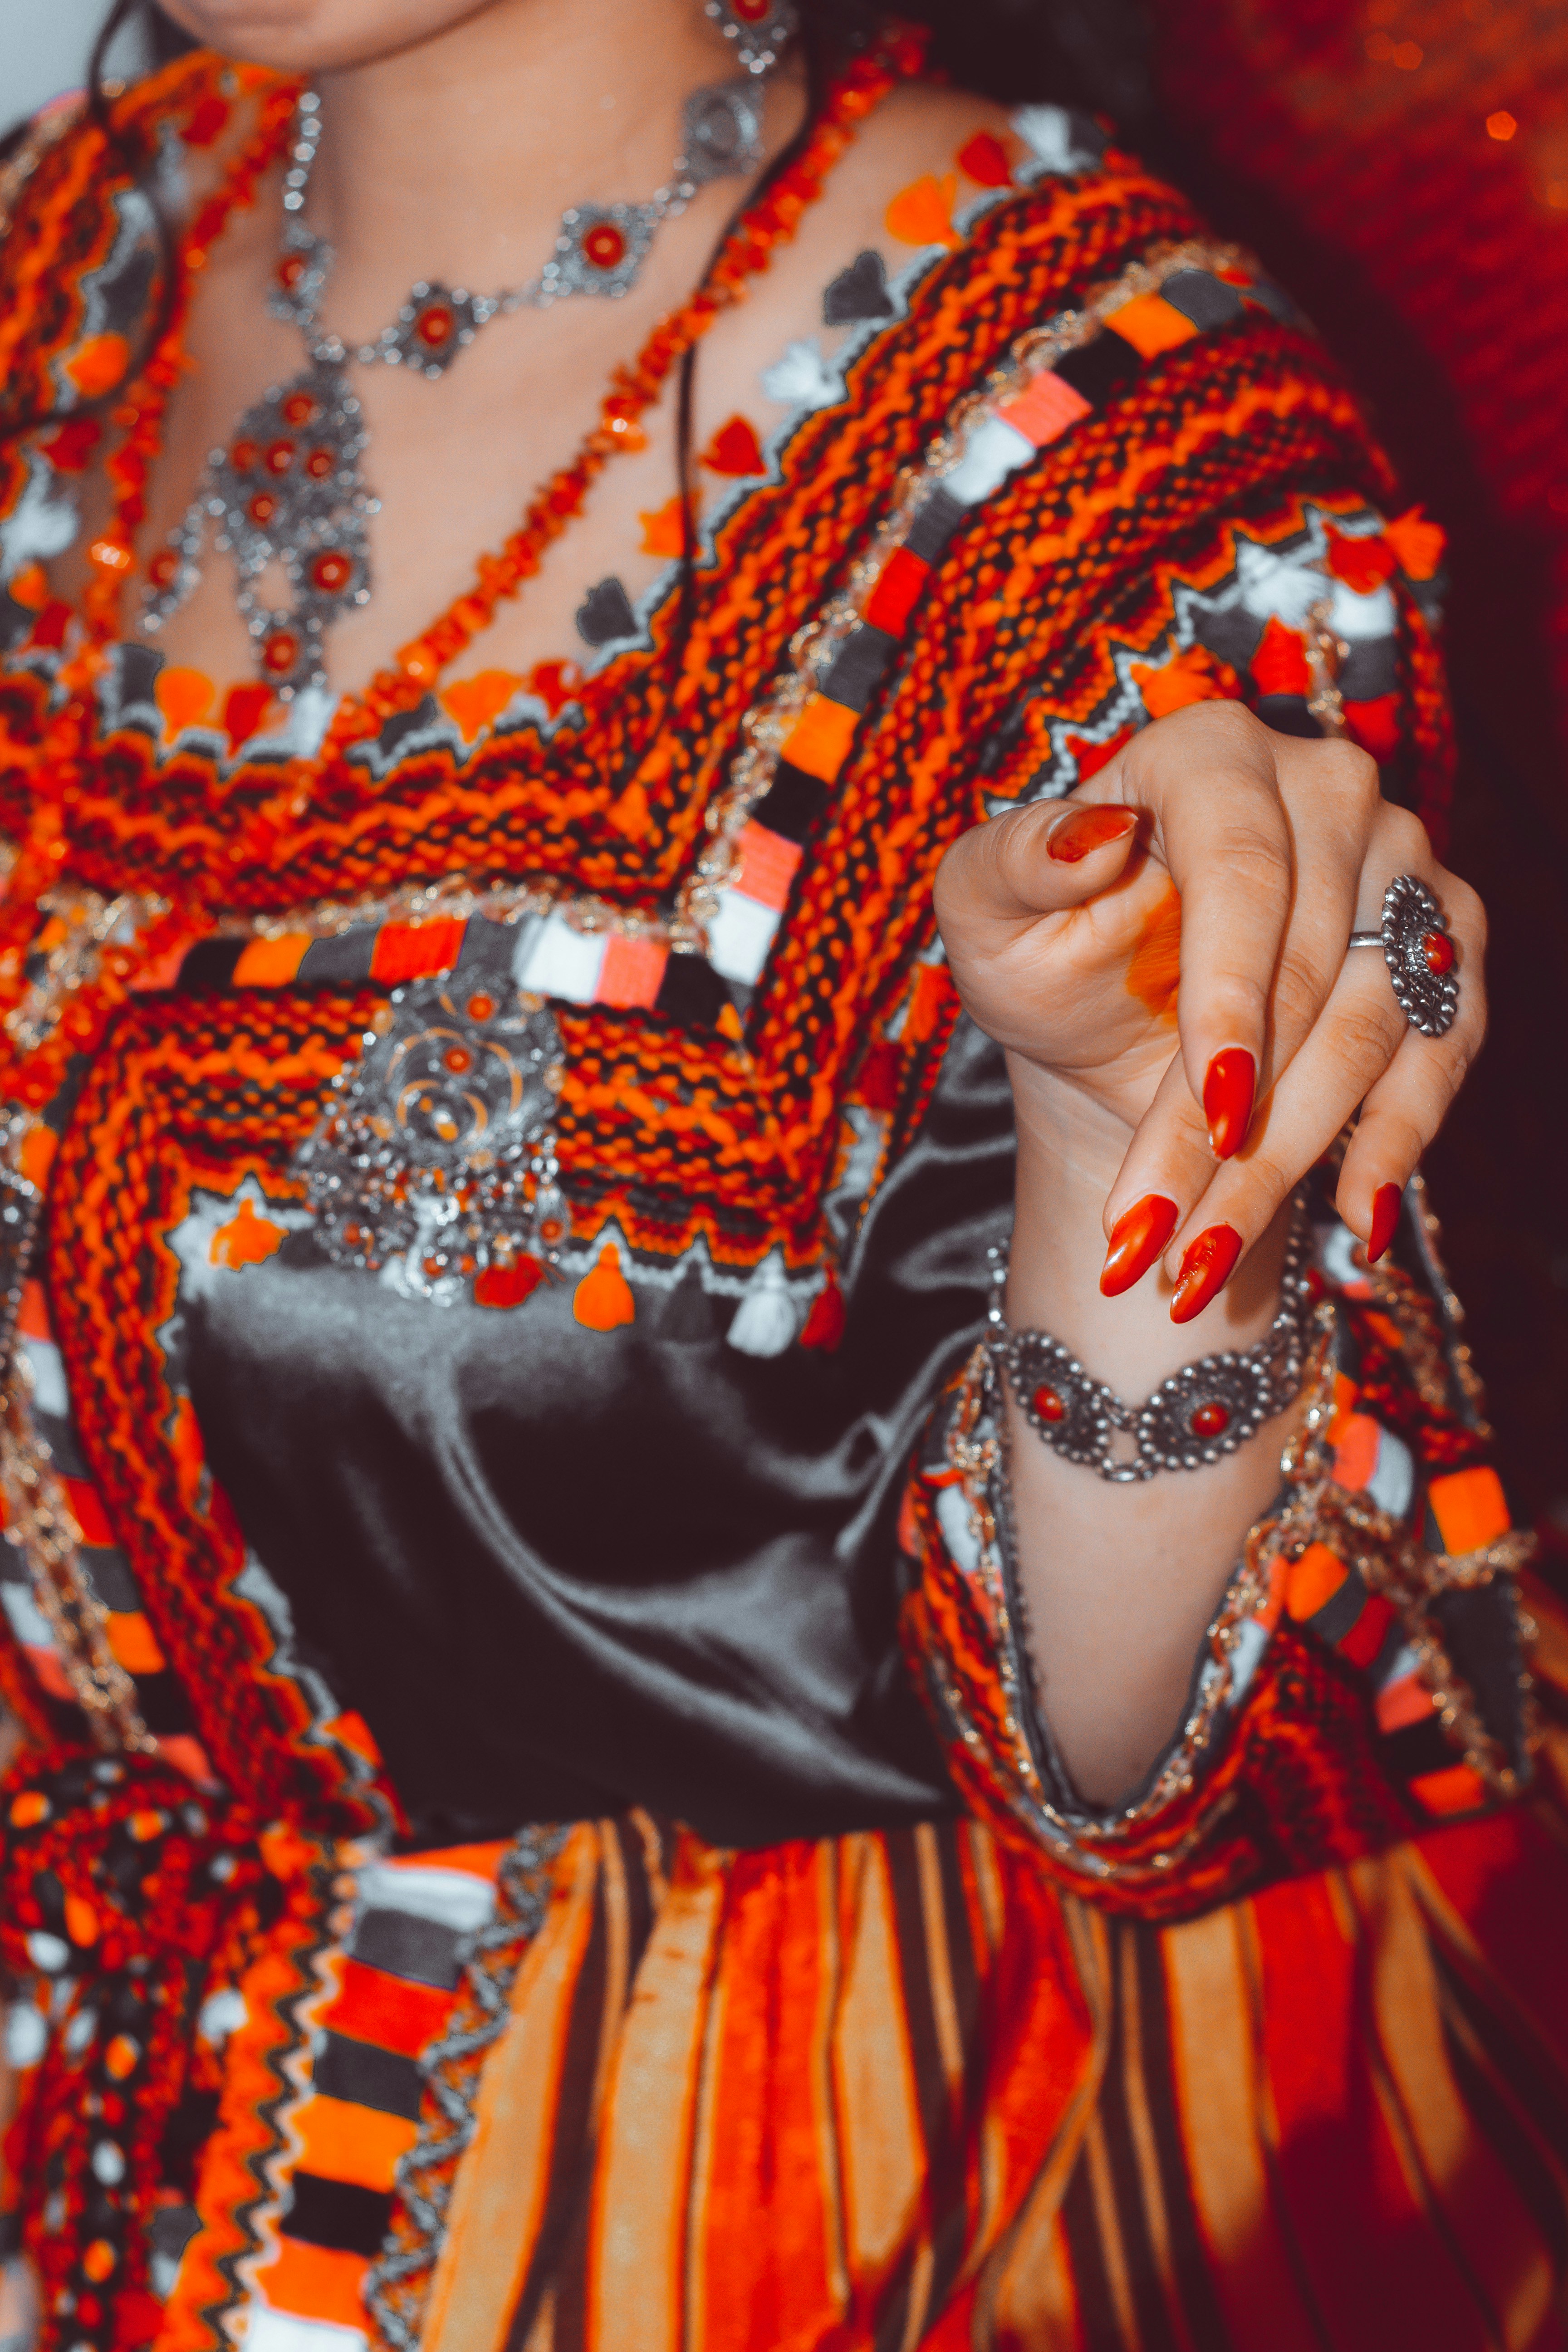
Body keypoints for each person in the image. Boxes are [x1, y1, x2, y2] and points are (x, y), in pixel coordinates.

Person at [0, 1, 1561, 2346]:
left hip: (828, 2206)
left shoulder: (1108, 447)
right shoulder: (75, 253)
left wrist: (1126, 1131)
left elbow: (1161, 1751)